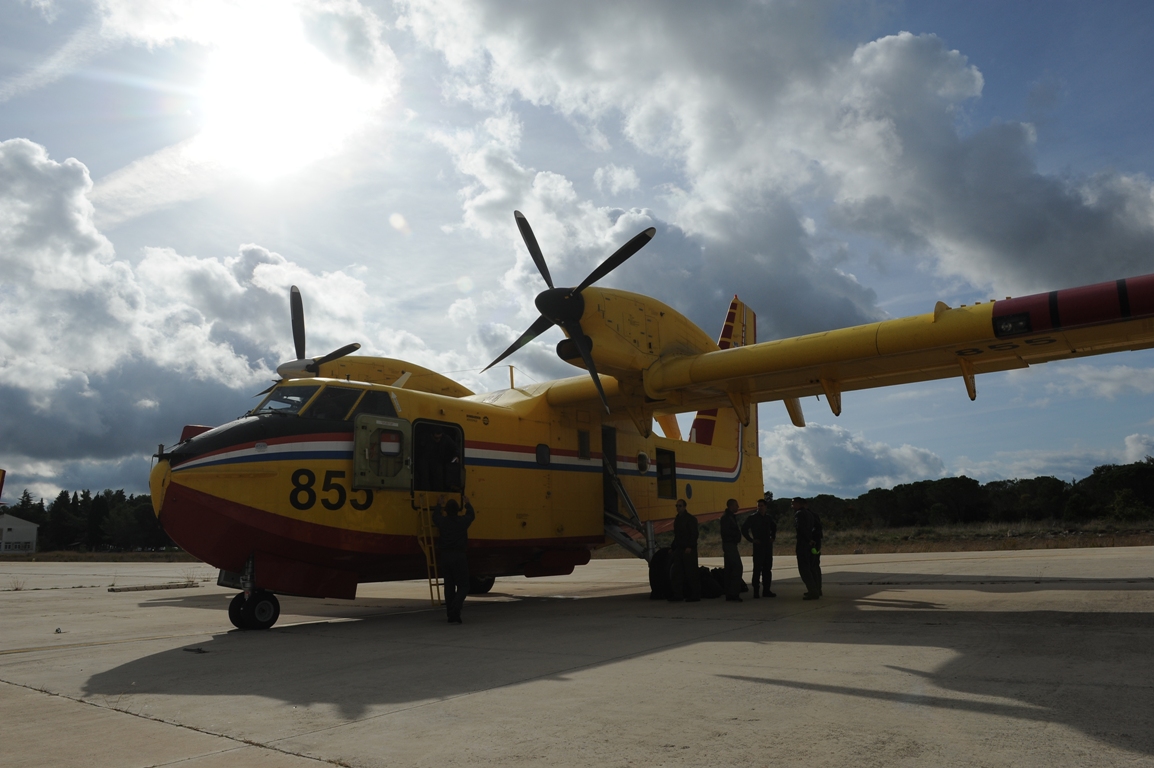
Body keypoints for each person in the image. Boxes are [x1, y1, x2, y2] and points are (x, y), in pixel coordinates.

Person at [431, 493, 476, 623]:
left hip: (445, 556)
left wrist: (439, 504)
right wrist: (467, 503)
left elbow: (435, 517)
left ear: (446, 511)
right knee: (464, 586)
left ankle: (450, 614)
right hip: (459, 555)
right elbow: (471, 515)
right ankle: (455, 609)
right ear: (458, 510)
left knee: (449, 586)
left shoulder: (443, 522)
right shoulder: (462, 522)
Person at [741, 498, 777, 597]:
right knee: (757, 569)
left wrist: (773, 537)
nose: (760, 507)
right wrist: (751, 539)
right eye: (758, 506)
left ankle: (766, 590)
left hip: (767, 546)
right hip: (758, 546)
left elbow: (774, 527)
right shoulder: (752, 518)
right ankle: (756, 591)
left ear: (765, 507)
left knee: (767, 569)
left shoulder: (768, 518)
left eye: (762, 505)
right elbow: (744, 529)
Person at [668, 499, 701, 602]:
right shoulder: (677, 519)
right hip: (679, 549)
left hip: (688, 550)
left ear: (685, 507)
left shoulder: (690, 519)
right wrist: (673, 547)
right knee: (677, 573)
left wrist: (690, 546)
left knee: (691, 572)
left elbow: (694, 534)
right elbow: (677, 536)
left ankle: (695, 595)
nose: (678, 508)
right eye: (677, 506)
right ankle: (678, 595)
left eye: (680, 506)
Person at [793, 497, 822, 600]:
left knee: (804, 568)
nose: (792, 506)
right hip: (811, 544)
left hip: (803, 544)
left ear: (798, 504)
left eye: (793, 503)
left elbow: (800, 528)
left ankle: (812, 591)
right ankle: (816, 589)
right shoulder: (810, 514)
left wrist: (808, 539)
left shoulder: (799, 514)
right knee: (813, 567)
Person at [420, 426, 461, 491]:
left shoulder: (446, 438)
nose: (438, 440)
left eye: (440, 438)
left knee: (439, 478)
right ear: (432, 435)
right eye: (436, 438)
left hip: (438, 461)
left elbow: (455, 447)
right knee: (424, 477)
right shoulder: (426, 438)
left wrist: (456, 456)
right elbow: (420, 450)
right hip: (426, 460)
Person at [720, 498, 744, 602]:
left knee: (729, 569)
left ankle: (729, 593)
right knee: (737, 567)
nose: (738, 507)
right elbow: (726, 532)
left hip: (730, 544)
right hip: (730, 545)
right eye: (736, 505)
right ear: (731, 506)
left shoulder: (730, 517)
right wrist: (735, 537)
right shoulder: (727, 518)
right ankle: (733, 593)